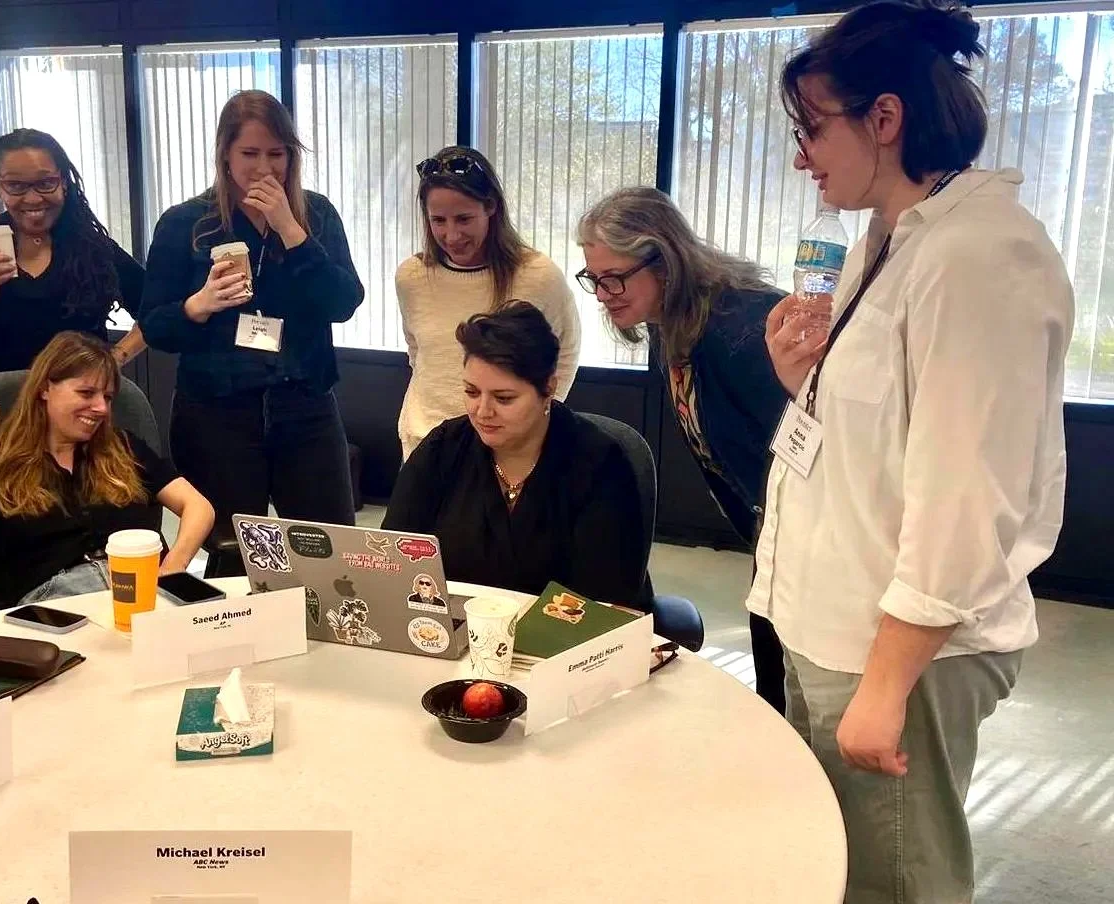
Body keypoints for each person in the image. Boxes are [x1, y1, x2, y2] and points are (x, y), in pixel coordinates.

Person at [755, 2, 1074, 900]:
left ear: (884, 119)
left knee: (895, 883)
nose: (800, 156)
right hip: (834, 624)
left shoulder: (978, 255)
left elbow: (968, 494)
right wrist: (800, 382)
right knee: (840, 865)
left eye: (811, 128)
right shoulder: (892, 236)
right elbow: (894, 434)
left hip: (897, 648)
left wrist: (889, 684)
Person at [577, 187, 791, 714]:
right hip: (771, 541)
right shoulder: (671, 324)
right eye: (594, 279)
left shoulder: (742, 328)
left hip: (802, 543)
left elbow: (800, 453)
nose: (603, 293)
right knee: (776, 689)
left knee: (789, 695)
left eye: (614, 278)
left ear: (665, 260)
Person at [139, 90, 364, 576]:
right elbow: (155, 325)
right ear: (225, 153)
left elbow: (345, 302)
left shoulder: (316, 215)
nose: (264, 166)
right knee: (234, 557)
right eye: (250, 153)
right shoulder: (185, 224)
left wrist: (290, 229)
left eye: (276, 154)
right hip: (216, 413)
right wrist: (197, 306)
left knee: (332, 554)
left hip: (305, 407)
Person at [0, 332, 214, 614]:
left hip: (143, 589)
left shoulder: (123, 448)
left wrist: (174, 566)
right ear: (44, 389)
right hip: (54, 606)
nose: (102, 409)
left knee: (224, 633)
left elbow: (198, 507)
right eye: (86, 393)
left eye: (106, 397)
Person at [383, 302, 646, 610]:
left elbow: (607, 602)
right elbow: (392, 562)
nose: (482, 411)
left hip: (565, 647)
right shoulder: (443, 448)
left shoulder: (598, 463)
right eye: (471, 392)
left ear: (548, 388)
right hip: (452, 637)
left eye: (504, 398)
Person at [0, 128, 145, 385]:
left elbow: (153, 310)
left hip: (76, 411)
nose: (33, 198)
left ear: (63, 183)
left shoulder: (93, 248)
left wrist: (114, 358)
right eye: (15, 186)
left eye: (45, 183)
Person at [395, 146, 581, 461]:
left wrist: (532, 421)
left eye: (464, 219)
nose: (451, 235)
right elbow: (418, 354)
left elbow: (565, 353)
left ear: (491, 207)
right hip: (424, 444)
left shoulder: (538, 276)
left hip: (508, 451)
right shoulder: (412, 276)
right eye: (438, 220)